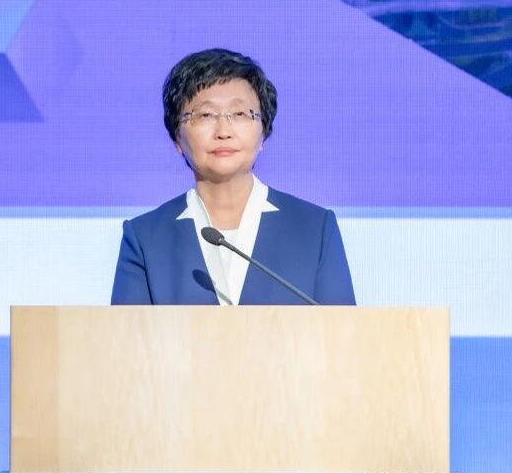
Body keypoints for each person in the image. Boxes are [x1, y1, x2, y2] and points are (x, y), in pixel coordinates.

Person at [111, 48, 355, 305]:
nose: (224, 131)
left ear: (264, 132)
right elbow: (127, 330)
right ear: (177, 138)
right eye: (205, 115)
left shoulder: (314, 228)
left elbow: (344, 328)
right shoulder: (145, 238)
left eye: (240, 114)